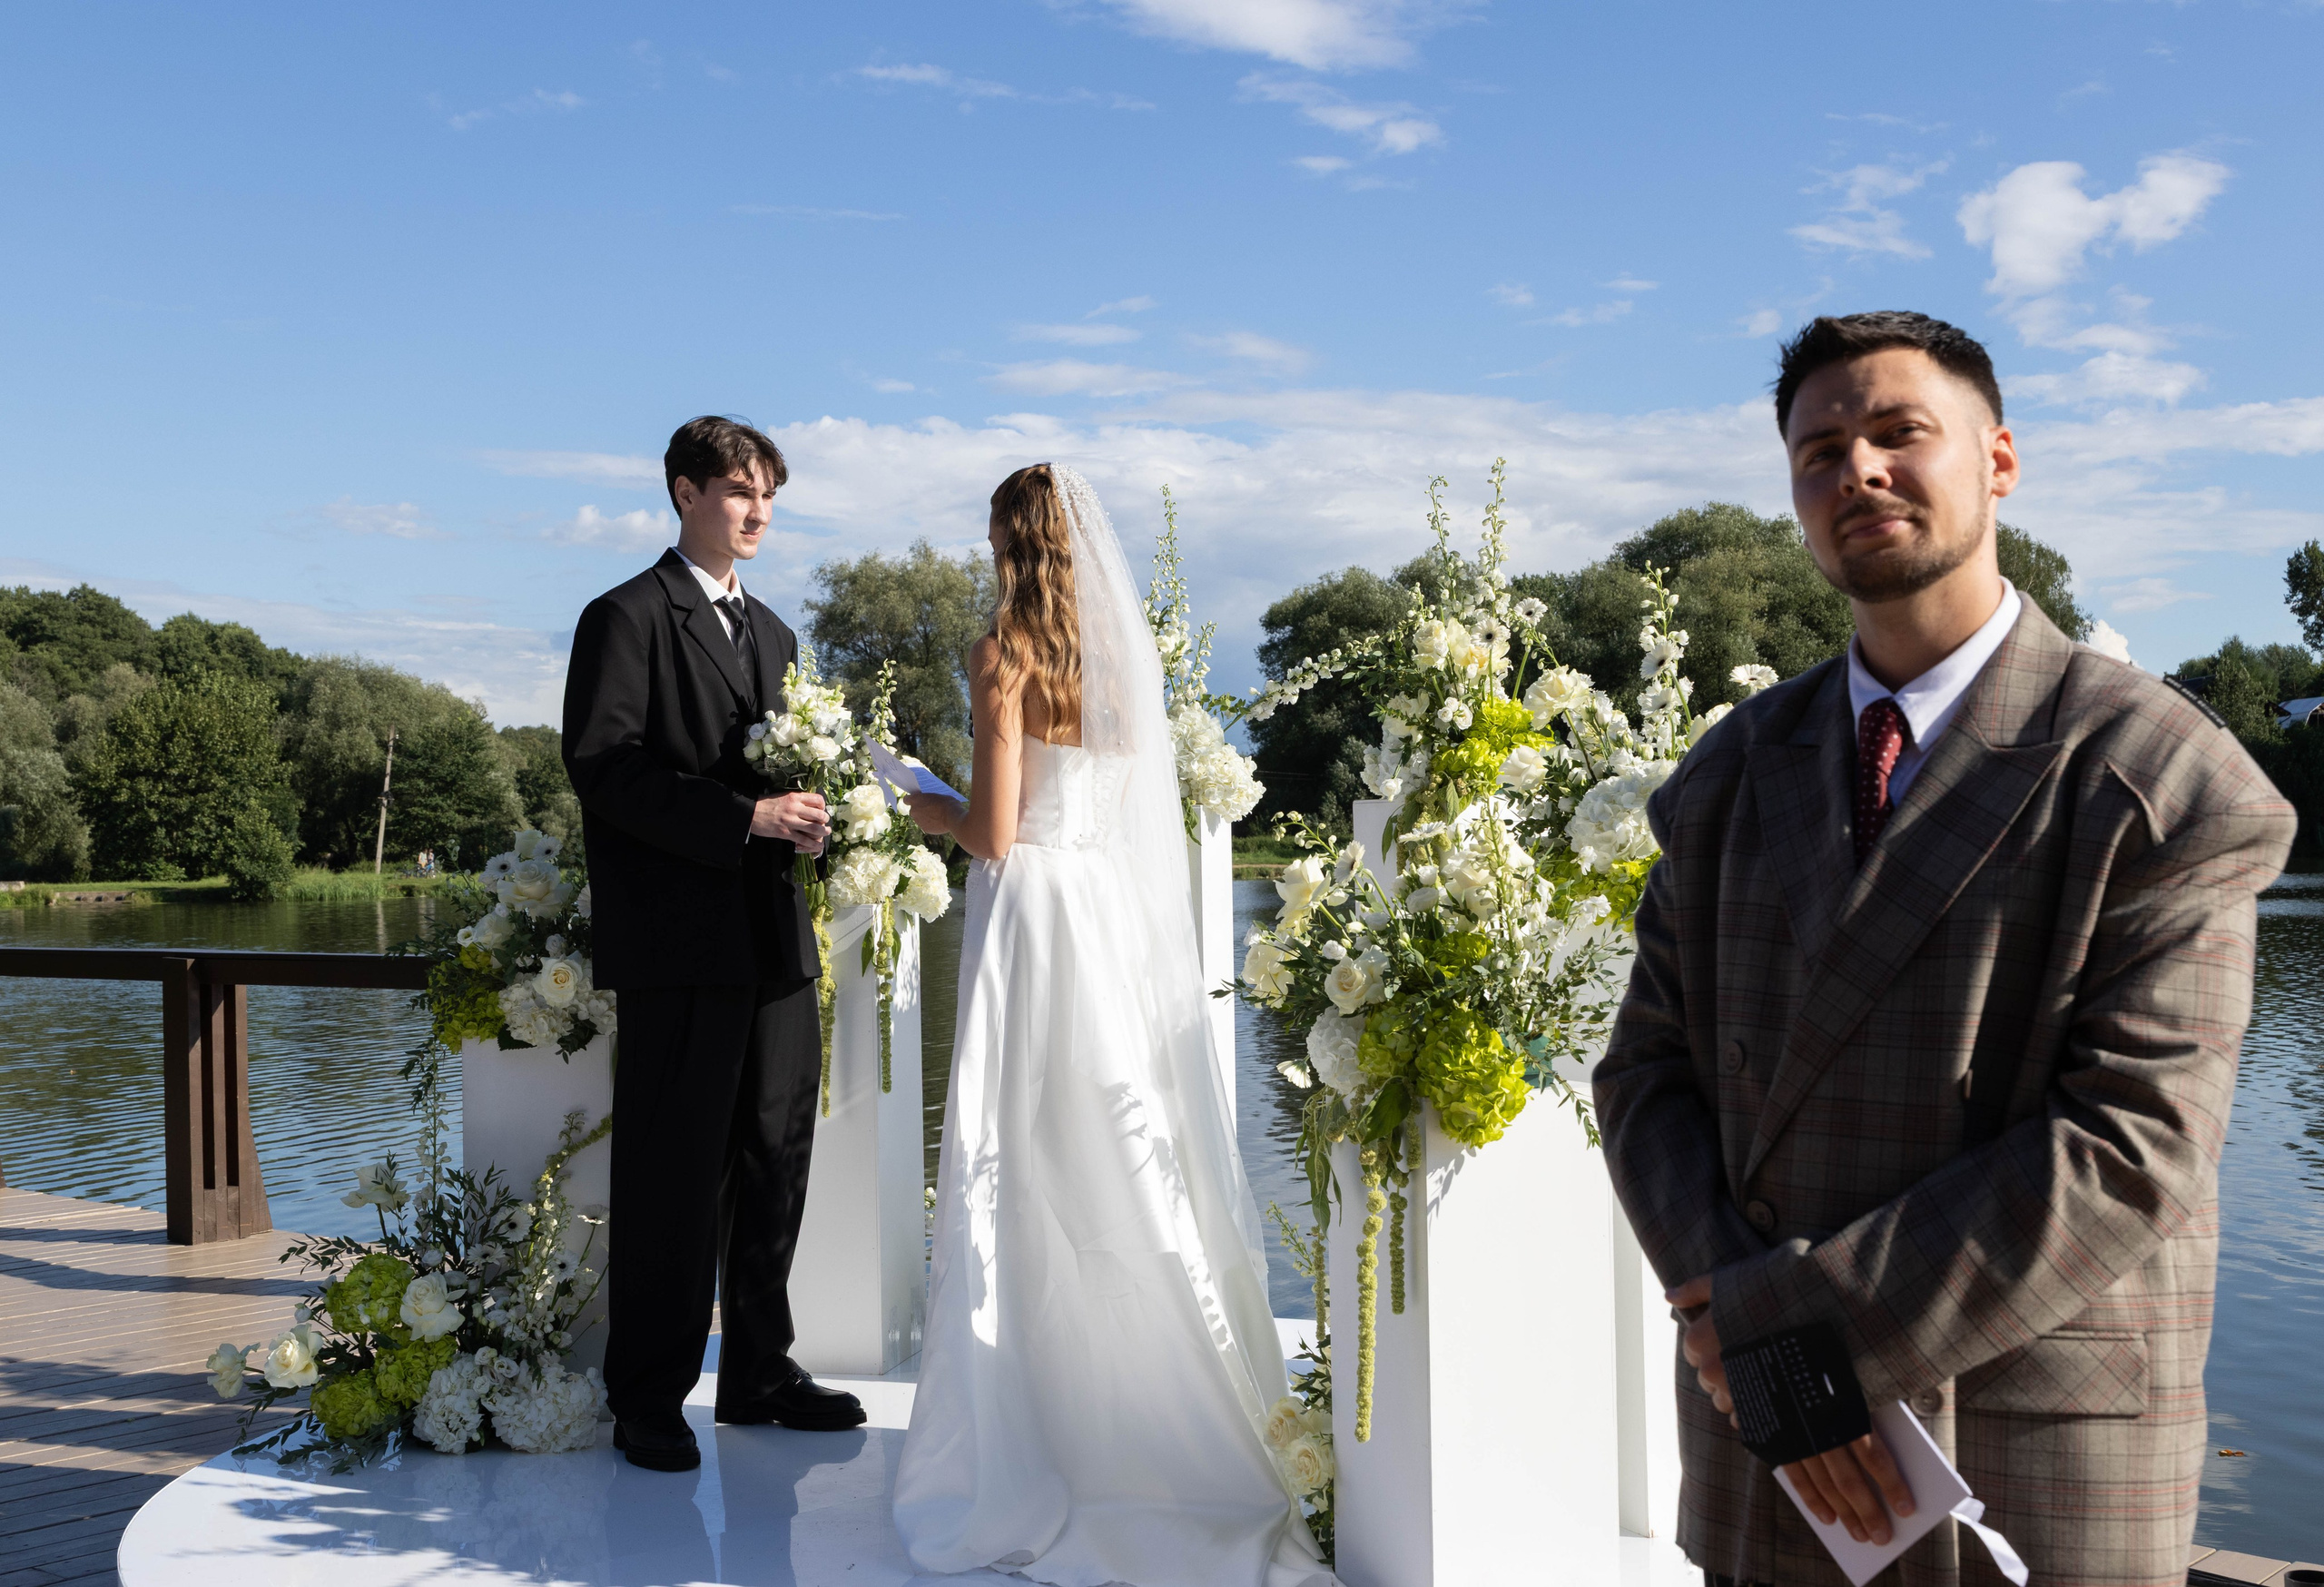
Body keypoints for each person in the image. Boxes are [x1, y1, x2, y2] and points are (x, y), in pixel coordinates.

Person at [1593, 312, 2296, 1587]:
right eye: (1818, 452)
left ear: (2001, 460)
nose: (1855, 469)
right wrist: (1755, 1351)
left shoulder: (2160, 773)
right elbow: (1643, 1077)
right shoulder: (1731, 772)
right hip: (1775, 1455)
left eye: (1898, 431)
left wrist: (1791, 1340)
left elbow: (2134, 1146)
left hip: (2030, 1447)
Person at [892, 464, 1334, 1587]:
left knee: (1015, 1163)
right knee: (1119, 1159)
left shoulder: (1003, 655)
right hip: (1100, 914)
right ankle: (1173, 1416)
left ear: (1008, 542)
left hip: (1030, 914)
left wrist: (917, 798)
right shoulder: (1122, 675)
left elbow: (994, 831)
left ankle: (1031, 1423)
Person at [562, 415, 866, 1473]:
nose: (758, 511)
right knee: (672, 1172)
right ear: (685, 491)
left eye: (769, 494)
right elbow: (606, 768)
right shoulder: (625, 617)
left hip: (776, 939)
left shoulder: (777, 634)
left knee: (776, 1155)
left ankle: (759, 1371)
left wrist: (824, 816)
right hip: (679, 946)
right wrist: (743, 817)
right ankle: (647, 1391)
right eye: (741, 490)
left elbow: (784, 778)